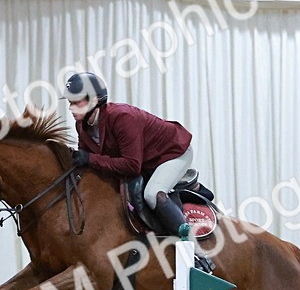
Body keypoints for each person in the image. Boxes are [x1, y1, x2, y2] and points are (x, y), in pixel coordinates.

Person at [62, 73, 208, 268]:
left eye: (76, 103)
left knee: (152, 194)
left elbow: (131, 166)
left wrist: (90, 159)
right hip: (146, 158)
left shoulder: (122, 117)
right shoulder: (82, 125)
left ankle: (195, 251)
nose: (71, 108)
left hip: (173, 152)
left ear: (95, 101)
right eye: (70, 102)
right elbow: (87, 161)